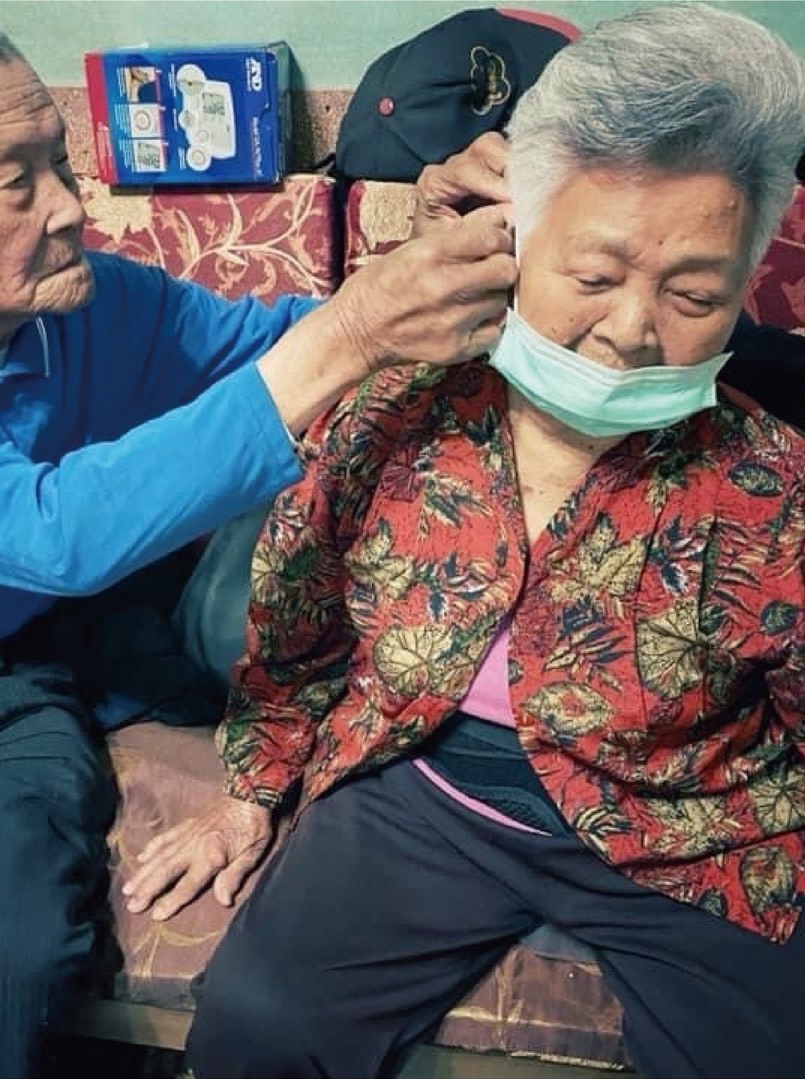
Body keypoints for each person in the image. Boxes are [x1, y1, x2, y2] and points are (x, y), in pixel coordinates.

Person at [0, 2, 518, 1076]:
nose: (72, 208)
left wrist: (423, 256)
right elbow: (49, 530)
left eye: (61, 162)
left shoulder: (93, 306)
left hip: (0, 695)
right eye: (17, 181)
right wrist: (354, 330)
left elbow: (288, 344)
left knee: (4, 967)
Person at [123, 5, 805, 1077]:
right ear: (513, 244)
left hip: (685, 816)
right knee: (257, 1028)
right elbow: (296, 613)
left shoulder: (770, 484)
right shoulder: (396, 406)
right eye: (592, 276)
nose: (631, 330)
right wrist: (251, 788)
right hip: (423, 784)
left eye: (690, 294)